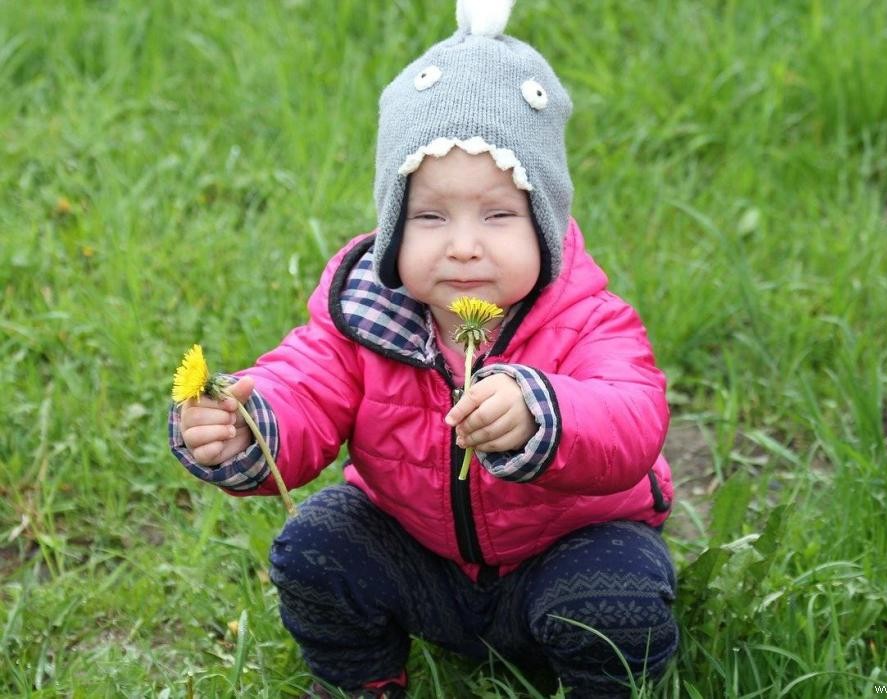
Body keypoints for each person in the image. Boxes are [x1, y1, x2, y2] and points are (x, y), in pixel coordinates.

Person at [169, 1, 677, 696]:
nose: (463, 243)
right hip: (422, 559)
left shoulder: (588, 318)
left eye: (498, 214)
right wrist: (247, 426)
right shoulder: (364, 321)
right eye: (430, 215)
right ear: (391, 229)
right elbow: (302, 387)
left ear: (547, 225)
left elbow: (633, 418)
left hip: (560, 556)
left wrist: (544, 411)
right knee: (316, 545)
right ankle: (361, 680)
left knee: (618, 595)